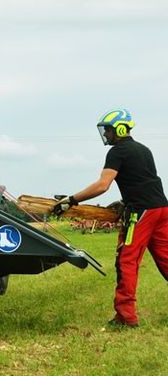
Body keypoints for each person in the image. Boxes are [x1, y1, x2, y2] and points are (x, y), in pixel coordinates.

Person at [53, 108, 168, 327]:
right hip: (161, 209)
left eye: (107, 130)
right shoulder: (144, 150)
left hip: (141, 213)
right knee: (166, 258)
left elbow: (102, 185)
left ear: (120, 129)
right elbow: (142, 181)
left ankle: (126, 317)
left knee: (127, 260)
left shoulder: (118, 152)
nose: (105, 135)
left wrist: (71, 199)